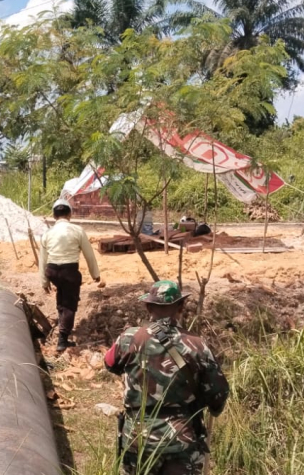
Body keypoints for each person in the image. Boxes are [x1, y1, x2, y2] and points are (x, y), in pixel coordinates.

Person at [104, 280, 229, 475]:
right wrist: (213, 408)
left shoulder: (129, 338)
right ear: (181, 307)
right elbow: (218, 392)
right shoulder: (198, 345)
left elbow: (109, 363)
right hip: (181, 438)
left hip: (138, 438)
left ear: (148, 307)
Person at [39, 198, 101, 352]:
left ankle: (62, 324)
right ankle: (62, 339)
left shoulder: (48, 233)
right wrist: (95, 274)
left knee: (61, 295)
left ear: (54, 216)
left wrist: (44, 282)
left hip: (52, 271)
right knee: (69, 304)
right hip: (69, 272)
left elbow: (43, 260)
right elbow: (89, 254)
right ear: (69, 214)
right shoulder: (77, 230)